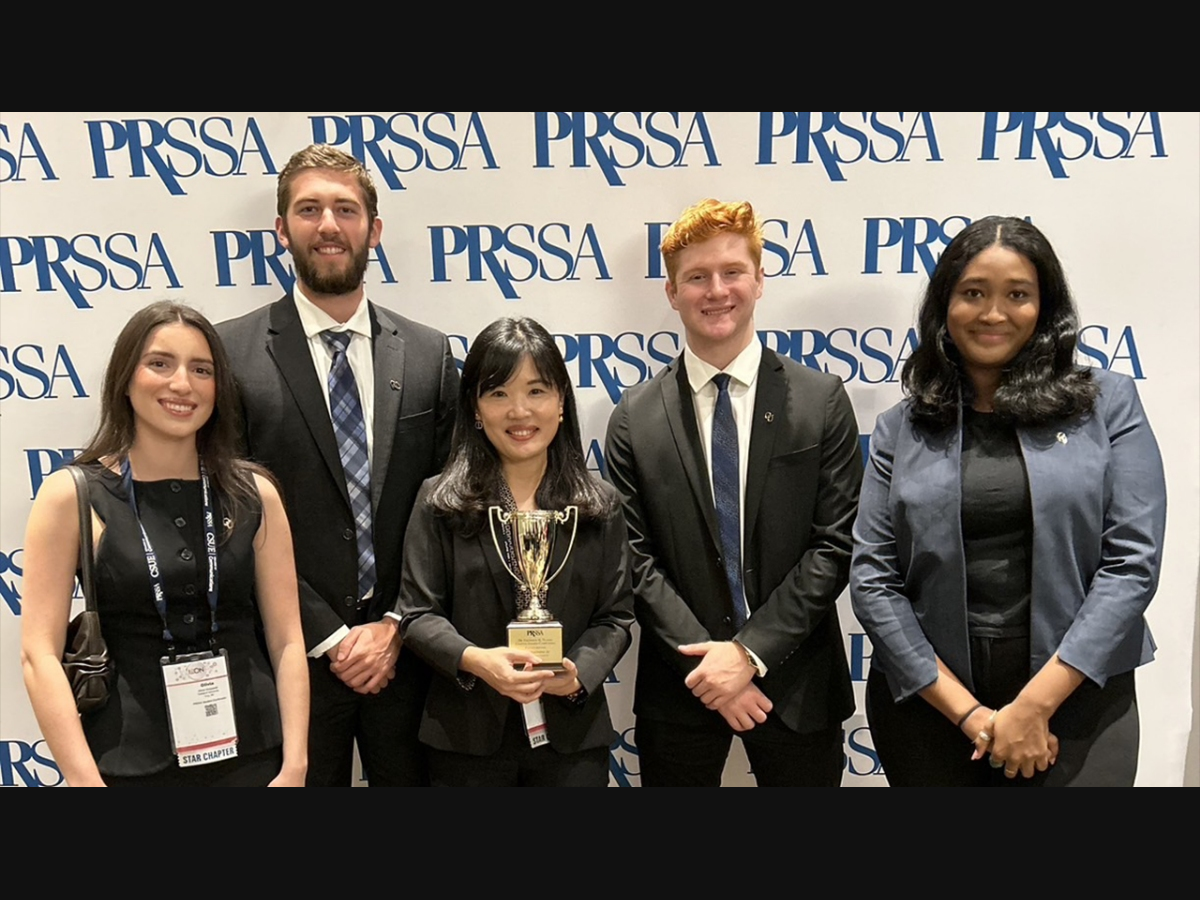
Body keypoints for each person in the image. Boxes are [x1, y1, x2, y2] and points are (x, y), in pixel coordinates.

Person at [851, 216, 1166, 787]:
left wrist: (1032, 708)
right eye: (973, 293)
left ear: (1045, 308)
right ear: (944, 305)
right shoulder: (901, 427)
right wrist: (969, 714)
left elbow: (1132, 562)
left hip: (1080, 698)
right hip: (932, 707)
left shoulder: (1108, 404)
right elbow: (873, 575)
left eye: (1017, 295)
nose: (994, 313)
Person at [217, 144, 458, 786]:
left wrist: (396, 624)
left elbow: (447, 512)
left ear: (374, 229)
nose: (328, 225)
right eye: (309, 209)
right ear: (281, 229)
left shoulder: (430, 356)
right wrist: (331, 635)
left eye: (346, 209)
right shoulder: (229, 354)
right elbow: (227, 513)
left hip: (407, 661)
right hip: (286, 658)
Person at [604, 199, 862, 786]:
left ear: (759, 280)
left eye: (731, 272)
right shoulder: (634, 417)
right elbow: (632, 559)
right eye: (696, 277)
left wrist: (747, 655)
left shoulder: (820, 401)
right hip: (682, 687)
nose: (716, 290)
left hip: (797, 686)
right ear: (671, 291)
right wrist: (710, 666)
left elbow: (836, 544)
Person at [20, 301, 308, 786]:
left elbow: (287, 641)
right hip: (126, 762)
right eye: (160, 363)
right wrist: (85, 783)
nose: (182, 384)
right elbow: (38, 656)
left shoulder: (255, 494)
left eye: (201, 369)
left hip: (254, 756)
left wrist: (295, 766)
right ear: (125, 377)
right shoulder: (72, 494)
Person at [398, 317, 634, 787]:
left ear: (562, 402)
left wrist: (577, 673)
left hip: (571, 737)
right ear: (476, 408)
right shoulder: (439, 500)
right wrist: (477, 660)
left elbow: (616, 617)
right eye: (499, 393)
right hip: (466, 736)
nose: (519, 411)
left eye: (537, 391)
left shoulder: (598, 504)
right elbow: (417, 614)